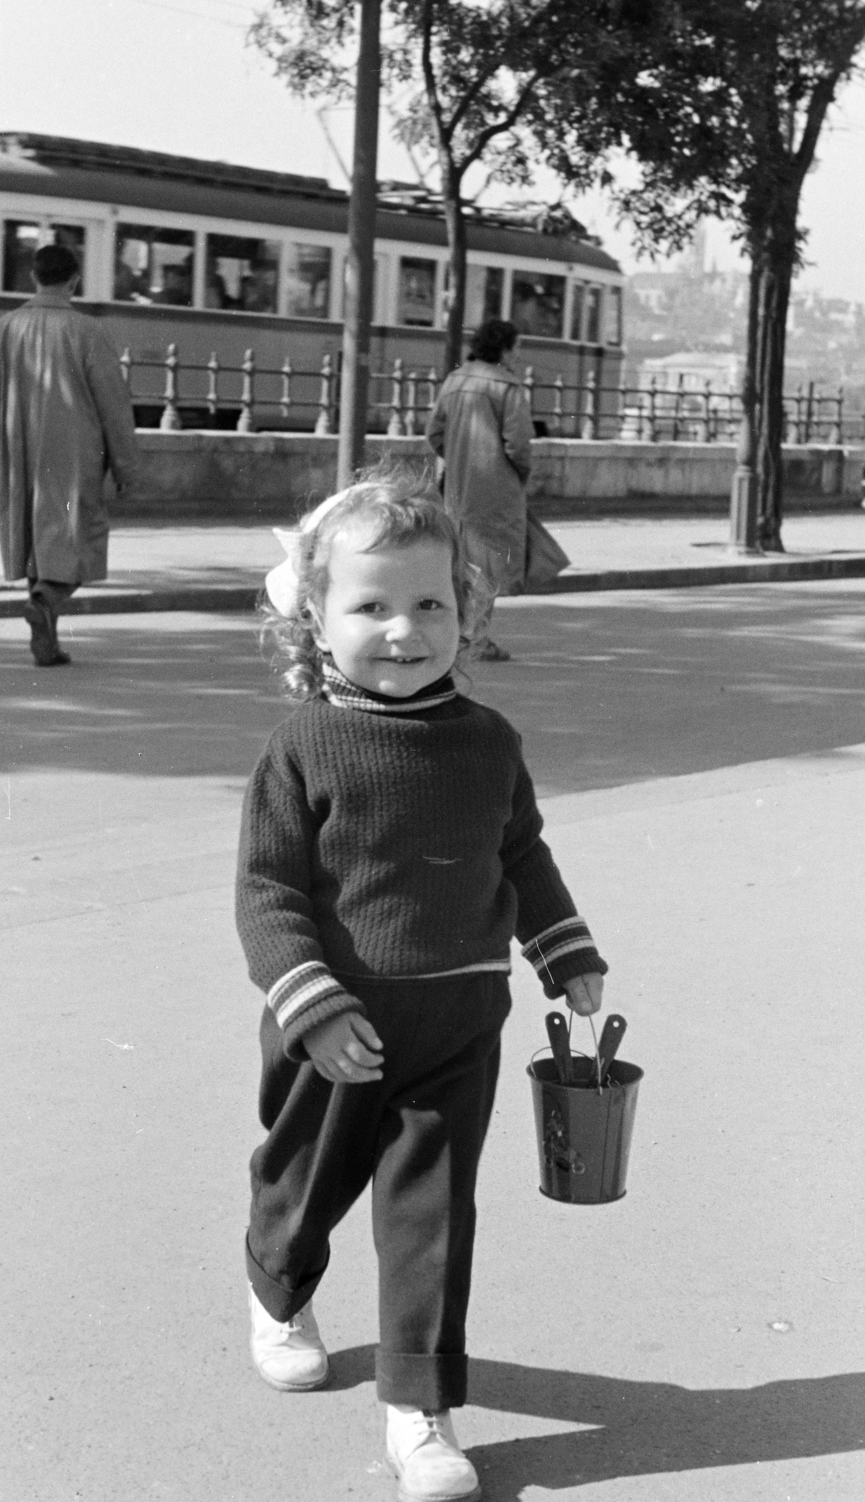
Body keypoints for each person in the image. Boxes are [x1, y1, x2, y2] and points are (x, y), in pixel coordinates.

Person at [236, 464, 609, 1502]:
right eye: (370, 606)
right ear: (313, 615)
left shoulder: (488, 742)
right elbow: (266, 892)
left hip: (456, 1023)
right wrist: (309, 1005)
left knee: (431, 1213)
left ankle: (418, 1405)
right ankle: (277, 1281)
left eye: (429, 603)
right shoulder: (304, 745)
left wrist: (564, 953)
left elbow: (520, 854)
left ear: (466, 610)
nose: (403, 629)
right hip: (333, 1024)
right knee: (305, 1185)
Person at [0, 243, 138, 666]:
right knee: (78, 541)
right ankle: (45, 602)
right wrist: (125, 466)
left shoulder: (2, 329)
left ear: (34, 277)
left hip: (16, 454)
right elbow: (113, 406)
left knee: (34, 543)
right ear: (74, 280)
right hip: (74, 457)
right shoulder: (88, 331)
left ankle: (46, 639)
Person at [425, 318, 535, 662]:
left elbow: (434, 432)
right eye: (516, 346)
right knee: (489, 566)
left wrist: (458, 457)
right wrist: (519, 474)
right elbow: (519, 444)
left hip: (459, 487)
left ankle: (459, 636)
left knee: (462, 562)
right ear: (502, 347)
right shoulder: (508, 387)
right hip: (497, 488)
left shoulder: (456, 380)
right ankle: (477, 638)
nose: (519, 354)